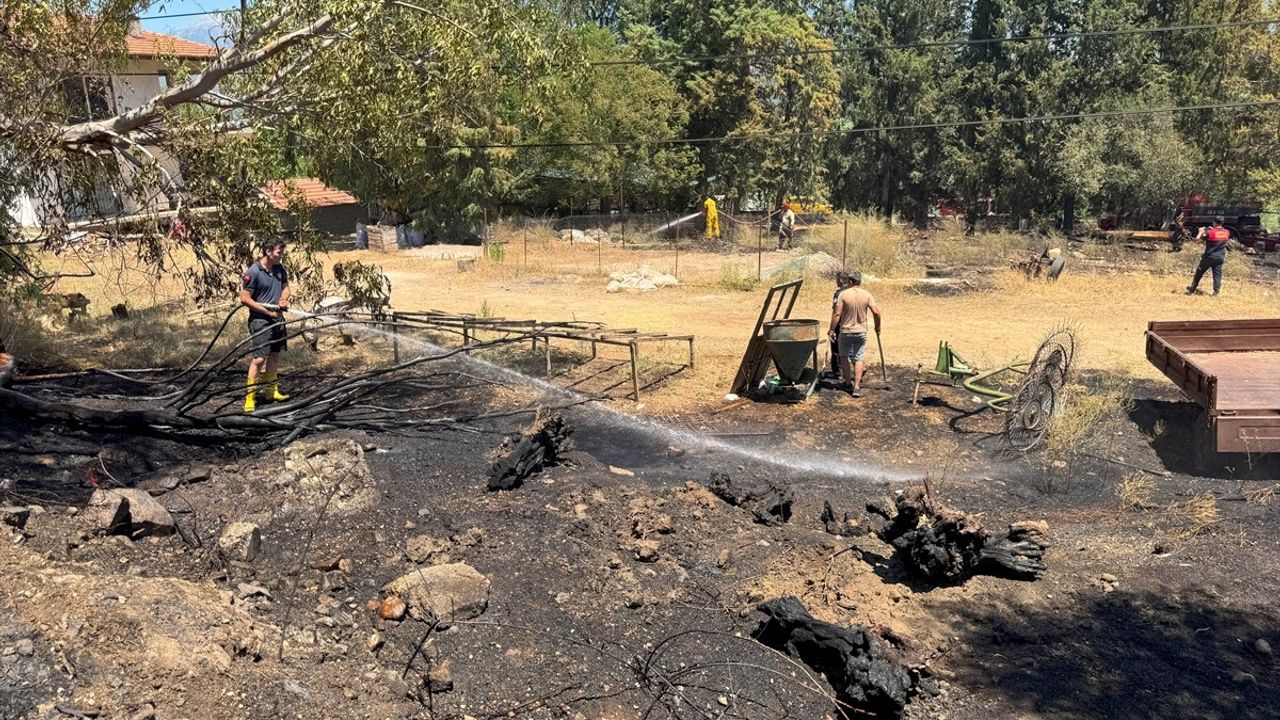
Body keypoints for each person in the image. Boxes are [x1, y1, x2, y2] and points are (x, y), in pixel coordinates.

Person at [240, 239, 291, 413]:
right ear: (268, 251)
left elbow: (285, 287)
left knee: (274, 356)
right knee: (259, 359)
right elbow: (245, 298)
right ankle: (250, 397)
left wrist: (284, 299)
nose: (281, 256)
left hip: (277, 319)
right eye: (279, 253)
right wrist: (266, 312)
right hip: (260, 321)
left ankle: (271, 391)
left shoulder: (279, 269)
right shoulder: (253, 272)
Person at [828, 270, 881, 397]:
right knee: (859, 357)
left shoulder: (843, 294)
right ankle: (857, 387)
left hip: (846, 331)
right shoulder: (867, 294)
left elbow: (837, 314)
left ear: (850, 282)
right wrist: (878, 327)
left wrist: (831, 330)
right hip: (861, 331)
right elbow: (876, 312)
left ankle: (847, 383)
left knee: (844, 357)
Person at [1186, 216, 1231, 296]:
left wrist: (1200, 231)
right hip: (1220, 257)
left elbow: (1197, 241)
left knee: (1199, 272)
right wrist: (1212, 229)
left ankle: (1192, 290)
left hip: (1209, 257)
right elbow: (1218, 234)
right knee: (1217, 274)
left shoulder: (1210, 233)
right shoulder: (1226, 232)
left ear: (1214, 222)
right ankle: (1216, 292)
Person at [828, 272, 854, 377]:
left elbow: (836, 312)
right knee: (852, 347)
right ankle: (859, 365)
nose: (836, 282)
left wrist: (831, 329)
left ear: (842, 280)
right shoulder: (852, 291)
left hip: (840, 323)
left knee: (835, 347)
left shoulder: (839, 293)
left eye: (837, 279)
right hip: (852, 322)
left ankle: (837, 371)